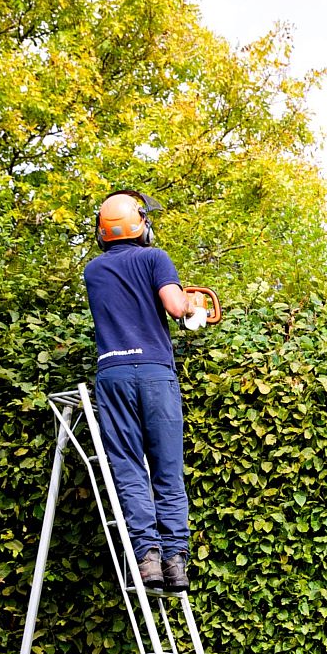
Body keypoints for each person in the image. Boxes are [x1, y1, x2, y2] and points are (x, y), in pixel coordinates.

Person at [83, 190, 209, 591]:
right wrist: (193, 307)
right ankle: (175, 562)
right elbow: (174, 307)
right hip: (155, 373)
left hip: (114, 373)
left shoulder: (94, 270)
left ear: (104, 234)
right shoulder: (155, 258)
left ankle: (147, 559)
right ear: (143, 226)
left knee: (128, 466)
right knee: (167, 468)